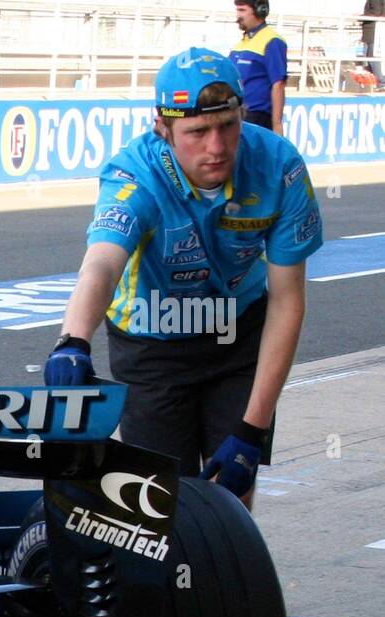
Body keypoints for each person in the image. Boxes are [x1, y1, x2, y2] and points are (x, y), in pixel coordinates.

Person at [43, 48, 322, 508]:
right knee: (157, 509)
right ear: (163, 128)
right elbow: (103, 262)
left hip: (236, 335)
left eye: (228, 126)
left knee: (230, 502)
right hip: (153, 342)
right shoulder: (135, 171)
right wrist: (73, 340)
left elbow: (287, 299)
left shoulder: (279, 166)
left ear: (242, 115)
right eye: (197, 132)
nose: (216, 147)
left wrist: (252, 430)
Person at [230, 0, 287, 134]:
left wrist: (277, 125)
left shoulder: (272, 41)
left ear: (260, 10)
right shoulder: (239, 45)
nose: (238, 15)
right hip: (236, 114)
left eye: (242, 10)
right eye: (237, 10)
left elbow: (278, 84)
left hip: (257, 118)